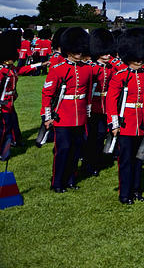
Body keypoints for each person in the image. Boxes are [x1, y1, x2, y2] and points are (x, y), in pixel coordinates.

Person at [106, 27, 144, 204]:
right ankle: (124, 193)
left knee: (139, 159)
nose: (140, 61)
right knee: (125, 160)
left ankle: (136, 190)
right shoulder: (120, 76)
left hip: (142, 123)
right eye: (136, 59)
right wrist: (114, 123)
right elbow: (111, 101)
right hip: (126, 123)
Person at [41, 27, 93, 192]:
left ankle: (71, 179)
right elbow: (47, 93)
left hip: (80, 115)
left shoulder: (87, 69)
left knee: (76, 149)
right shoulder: (58, 69)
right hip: (62, 115)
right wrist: (47, 116)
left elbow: (89, 92)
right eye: (75, 50)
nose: (78, 53)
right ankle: (57, 182)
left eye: (80, 49)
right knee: (62, 149)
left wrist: (88, 112)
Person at [82, 28, 117, 177]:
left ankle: (97, 160)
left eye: (108, 52)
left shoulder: (111, 68)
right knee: (91, 136)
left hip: (105, 106)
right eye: (104, 53)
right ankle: (88, 163)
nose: (107, 55)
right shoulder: (91, 68)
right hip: (92, 106)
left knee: (101, 134)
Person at [0, 30, 22, 160]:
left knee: (7, 129)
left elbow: (20, 70)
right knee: (4, 131)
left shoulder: (11, 68)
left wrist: (39, 65)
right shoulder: (2, 70)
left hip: (10, 102)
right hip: (3, 104)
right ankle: (4, 153)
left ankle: (5, 152)